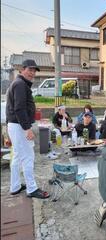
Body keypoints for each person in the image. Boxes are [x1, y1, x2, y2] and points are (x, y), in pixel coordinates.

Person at [6, 59, 49, 199]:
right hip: (19, 126)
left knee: (17, 157)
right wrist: (27, 128)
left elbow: (18, 107)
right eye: (30, 69)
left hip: (15, 125)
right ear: (22, 69)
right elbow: (19, 108)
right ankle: (32, 189)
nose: (32, 73)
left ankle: (15, 186)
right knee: (28, 157)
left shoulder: (19, 84)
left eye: (34, 70)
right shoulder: (20, 85)